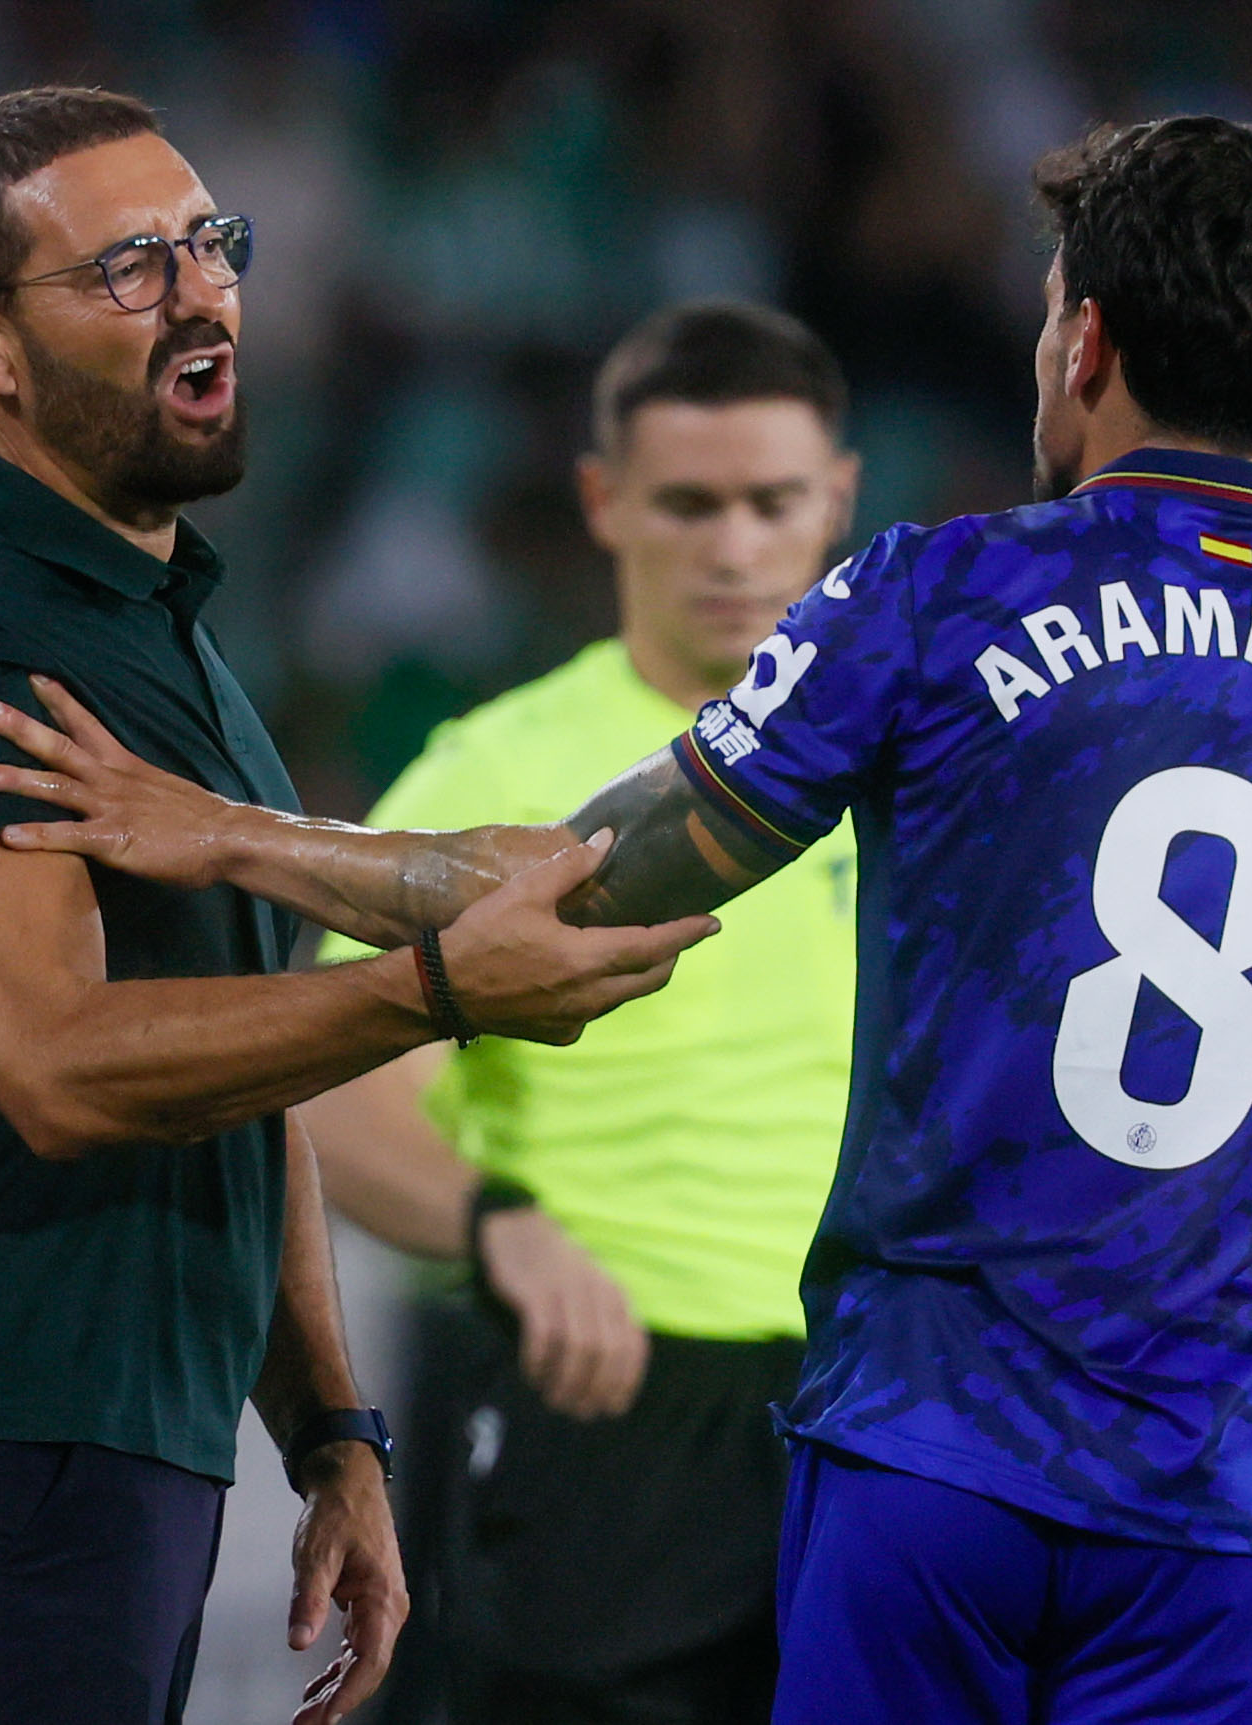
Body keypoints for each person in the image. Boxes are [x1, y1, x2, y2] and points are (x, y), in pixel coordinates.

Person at [0, 114, 1252, 1725]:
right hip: (1239, 1516)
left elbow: (579, 892)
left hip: (925, 1471)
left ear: (1084, 337)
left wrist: (232, 835)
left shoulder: (938, 599)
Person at [0, 85, 710, 1725]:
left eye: (210, 243)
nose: (202, 293)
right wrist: (433, 988)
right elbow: (58, 1064)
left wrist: (333, 1430)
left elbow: (248, 1081)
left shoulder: (159, 632)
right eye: (129, 266)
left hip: (103, 1432)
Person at [303, 302, 861, 1724]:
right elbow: (326, 1084)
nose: (733, 546)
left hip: (875, 1409)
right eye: (688, 502)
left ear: (839, 499)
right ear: (606, 501)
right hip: (596, 1400)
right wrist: (499, 1224)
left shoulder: (921, 776)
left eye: (771, 502)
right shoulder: (502, 772)